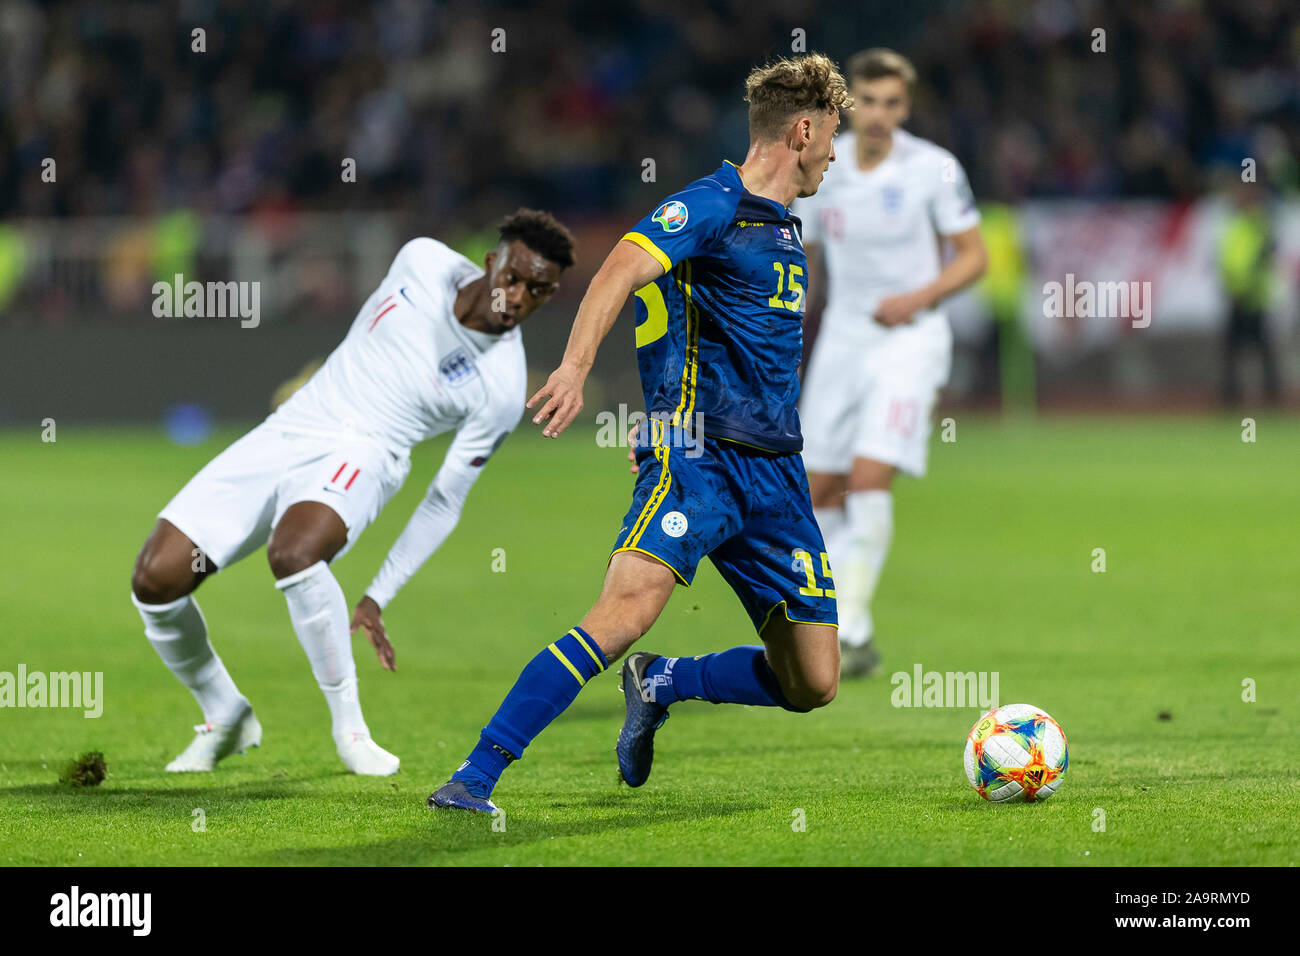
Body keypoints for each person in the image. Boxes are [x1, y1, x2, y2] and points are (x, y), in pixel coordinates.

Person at [429, 54, 852, 814]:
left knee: (814, 681)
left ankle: (665, 682)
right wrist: (574, 368)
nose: (833, 154)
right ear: (803, 128)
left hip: (778, 476)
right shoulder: (710, 205)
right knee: (624, 612)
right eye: (831, 137)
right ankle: (475, 776)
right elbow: (618, 270)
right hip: (698, 460)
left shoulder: (783, 228)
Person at [129, 210, 574, 775]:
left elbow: (445, 501)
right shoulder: (422, 258)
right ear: (491, 261)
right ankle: (226, 714)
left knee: (293, 554)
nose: (518, 297)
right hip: (293, 425)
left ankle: (351, 729)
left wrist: (378, 595)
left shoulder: (503, 387)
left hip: (369, 453)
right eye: (513, 277)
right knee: (157, 578)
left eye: (538, 291)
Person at [793, 49, 987, 677]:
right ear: (849, 104)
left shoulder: (934, 169)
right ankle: (854, 630)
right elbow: (808, 263)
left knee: (869, 475)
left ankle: (846, 622)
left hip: (912, 339)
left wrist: (918, 297)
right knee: (817, 486)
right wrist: (785, 334)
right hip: (844, 339)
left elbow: (972, 256)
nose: (878, 114)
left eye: (892, 103)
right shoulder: (826, 167)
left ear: (907, 106)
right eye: (868, 101)